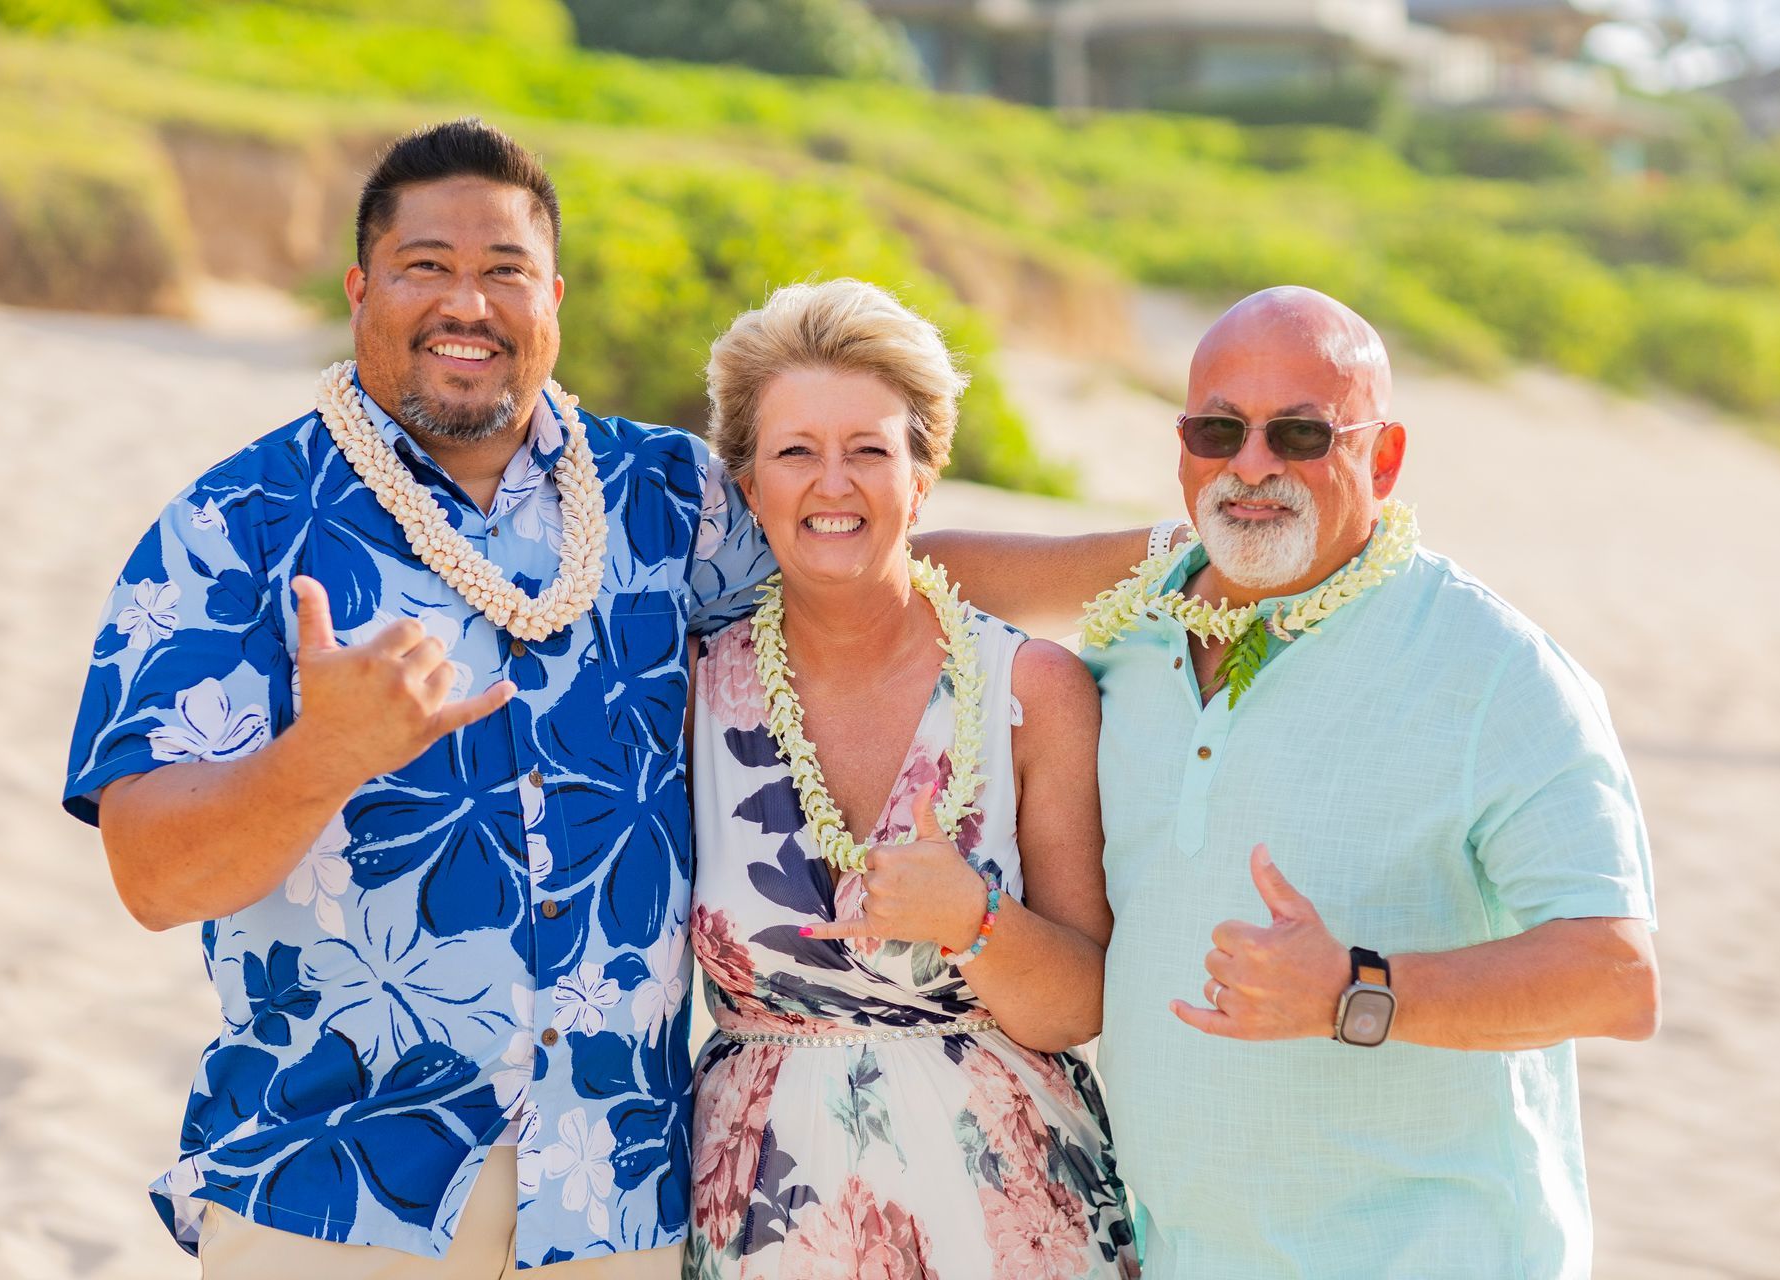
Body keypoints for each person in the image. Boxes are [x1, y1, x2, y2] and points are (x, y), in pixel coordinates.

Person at [63, 119, 1155, 1278]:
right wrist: (317, 757)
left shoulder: (656, 496)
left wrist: (1188, 554)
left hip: (614, 1197)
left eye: (504, 271)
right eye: (425, 266)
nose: (466, 303)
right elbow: (150, 874)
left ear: (555, 298)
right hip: (338, 1188)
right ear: (359, 288)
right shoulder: (233, 526)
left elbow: (860, 569)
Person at [1081, 286, 1660, 1279]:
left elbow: (1618, 975)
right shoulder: (1133, 628)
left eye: (1301, 433)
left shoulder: (1494, 670)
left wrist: (1355, 988)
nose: (1250, 463)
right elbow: (918, 570)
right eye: (1218, 427)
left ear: (1383, 457)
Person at [682, 279, 1134, 1280]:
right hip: (764, 1212)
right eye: (795, 450)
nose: (831, 483)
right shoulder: (691, 691)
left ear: (923, 476)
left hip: (1008, 1211)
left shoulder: (1032, 689)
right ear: (749, 483)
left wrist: (976, 918)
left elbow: (1080, 1002)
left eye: (871, 450)